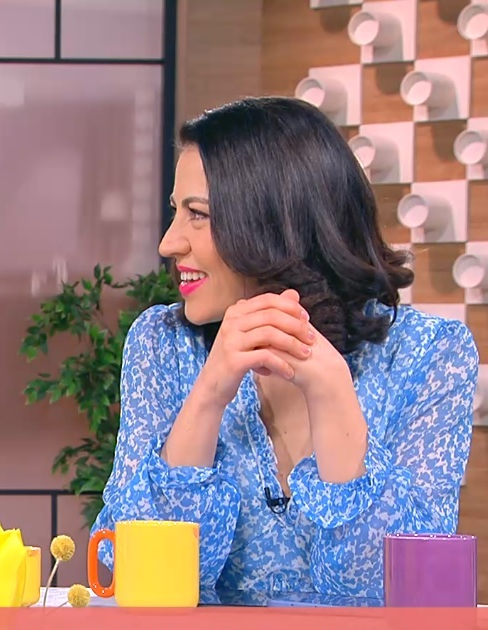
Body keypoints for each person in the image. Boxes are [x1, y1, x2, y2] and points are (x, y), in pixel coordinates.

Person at [91, 96, 477, 602]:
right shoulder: (163, 344)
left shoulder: (431, 355)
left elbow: (403, 591)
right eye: (175, 212)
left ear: (276, 223)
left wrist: (331, 391)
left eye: (198, 215)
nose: (169, 243)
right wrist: (208, 396)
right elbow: (123, 576)